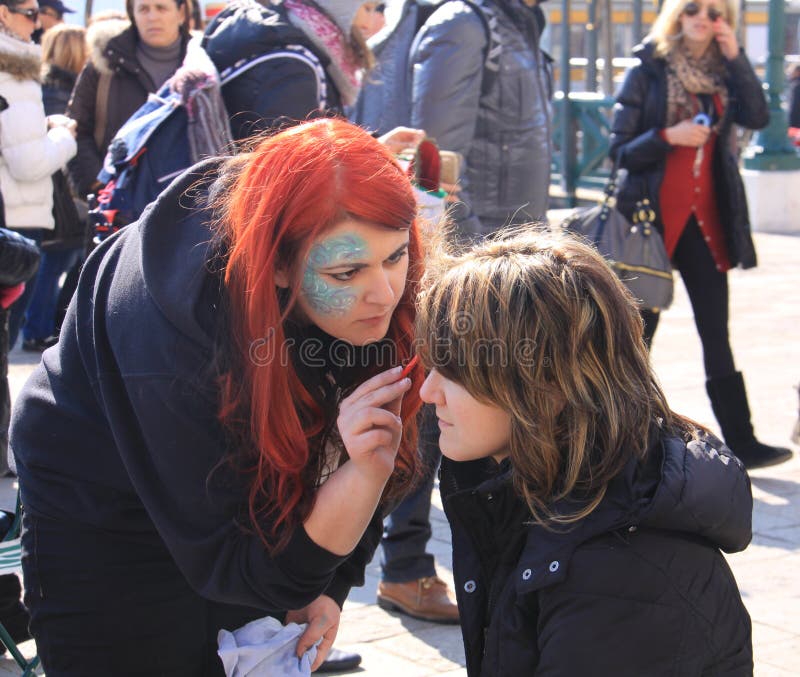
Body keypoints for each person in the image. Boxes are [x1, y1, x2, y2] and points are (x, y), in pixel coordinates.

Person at [10, 118, 426, 676]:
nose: (383, 292)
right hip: (104, 511)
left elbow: (388, 449)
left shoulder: (363, 279)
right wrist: (355, 485)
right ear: (277, 264)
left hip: (235, 499)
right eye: (347, 272)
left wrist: (333, 581)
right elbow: (242, 568)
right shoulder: (172, 343)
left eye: (396, 256)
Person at [415, 228, 754, 676]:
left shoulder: (615, 573)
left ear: (549, 383)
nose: (427, 391)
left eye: (454, 369)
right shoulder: (536, 493)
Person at [608, 0, 791, 470]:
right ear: (676, 15)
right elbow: (619, 149)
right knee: (636, 334)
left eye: (715, 11)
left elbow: (757, 117)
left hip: (705, 221)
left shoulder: (726, 73)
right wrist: (669, 136)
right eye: (692, 8)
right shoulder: (647, 69)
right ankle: (620, 441)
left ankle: (743, 441)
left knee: (716, 330)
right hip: (650, 221)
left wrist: (737, 58)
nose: (702, 17)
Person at [354, 0, 553, 240]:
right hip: (487, 244)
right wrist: (467, 247)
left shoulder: (522, 24)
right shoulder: (464, 23)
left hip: (519, 236)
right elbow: (439, 161)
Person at [0, 0, 77, 348]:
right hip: (14, 222)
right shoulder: (11, 71)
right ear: (3, 14)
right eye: (29, 13)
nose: (38, 22)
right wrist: (64, 137)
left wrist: (43, 126)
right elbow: (28, 164)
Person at [67, 0, 191, 200]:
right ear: (132, 15)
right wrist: (99, 182)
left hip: (189, 208)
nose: (152, 17)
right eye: (143, 9)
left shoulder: (204, 65)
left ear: (181, 13)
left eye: (161, 8)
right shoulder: (106, 62)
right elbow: (77, 128)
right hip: (118, 209)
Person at [19, 23, 87, 352]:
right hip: (53, 191)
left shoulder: (40, 84)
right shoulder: (59, 89)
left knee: (52, 261)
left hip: (40, 194)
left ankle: (38, 326)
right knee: (54, 260)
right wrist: (65, 133)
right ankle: (38, 327)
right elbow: (32, 156)